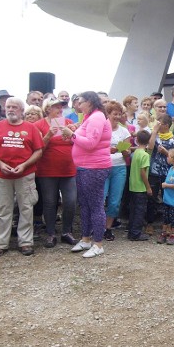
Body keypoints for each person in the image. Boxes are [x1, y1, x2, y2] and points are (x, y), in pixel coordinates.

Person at [0, 97, 44, 258]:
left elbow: (38, 151)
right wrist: (0, 164)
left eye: (15, 107)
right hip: (2, 174)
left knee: (26, 208)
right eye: (8, 107)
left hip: (25, 174)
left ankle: (25, 242)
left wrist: (24, 165)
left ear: (21, 110)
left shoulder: (30, 128)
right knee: (3, 209)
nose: (11, 109)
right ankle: (1, 243)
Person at [61, 92, 111, 258]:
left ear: (89, 102)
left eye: (80, 102)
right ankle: (85, 239)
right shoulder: (89, 117)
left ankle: (98, 243)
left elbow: (90, 143)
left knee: (95, 205)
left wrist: (72, 134)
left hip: (94, 167)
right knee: (85, 204)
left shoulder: (96, 117)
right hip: (84, 167)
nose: (77, 105)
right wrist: (75, 131)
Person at [33, 96, 78, 248]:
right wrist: (48, 135)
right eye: (56, 107)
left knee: (70, 201)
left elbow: (77, 143)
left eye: (61, 107)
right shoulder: (39, 125)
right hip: (47, 170)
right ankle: (51, 233)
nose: (60, 109)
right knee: (50, 202)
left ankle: (66, 231)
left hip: (68, 169)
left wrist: (74, 133)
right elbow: (37, 149)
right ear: (47, 109)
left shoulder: (69, 123)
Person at [102, 100, 131, 241]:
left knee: (115, 201)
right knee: (101, 197)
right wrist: (109, 150)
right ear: (108, 114)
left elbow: (128, 153)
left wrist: (125, 151)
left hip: (119, 167)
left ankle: (108, 228)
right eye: (115, 114)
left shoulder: (124, 131)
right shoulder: (102, 128)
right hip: (103, 166)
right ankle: (98, 226)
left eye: (120, 114)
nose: (118, 116)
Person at [127, 130, 153, 242]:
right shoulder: (145, 155)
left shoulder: (136, 152)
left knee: (133, 210)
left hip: (133, 186)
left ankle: (131, 231)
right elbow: (143, 172)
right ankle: (136, 233)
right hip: (140, 188)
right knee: (140, 211)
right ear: (148, 141)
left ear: (136, 140)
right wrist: (148, 187)